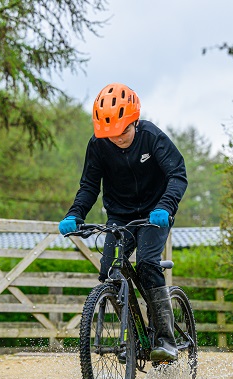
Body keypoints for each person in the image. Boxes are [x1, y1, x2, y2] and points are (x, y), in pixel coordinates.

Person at [59, 82, 187, 362]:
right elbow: (89, 186)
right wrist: (74, 214)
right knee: (109, 271)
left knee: (147, 264)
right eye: (111, 134)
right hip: (120, 216)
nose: (117, 138)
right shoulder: (98, 145)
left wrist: (165, 206)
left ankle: (165, 339)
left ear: (135, 121)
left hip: (156, 213)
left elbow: (177, 174)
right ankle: (130, 336)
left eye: (123, 131)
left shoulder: (152, 137)